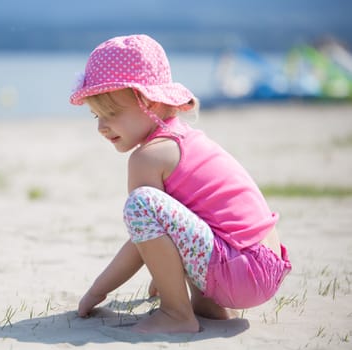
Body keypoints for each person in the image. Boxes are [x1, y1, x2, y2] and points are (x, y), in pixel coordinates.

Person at [69, 34, 291, 334]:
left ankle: (176, 313)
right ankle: (209, 309)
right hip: (264, 263)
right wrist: (166, 270)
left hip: (242, 269)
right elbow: (177, 226)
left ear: (149, 102)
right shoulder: (185, 140)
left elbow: (140, 240)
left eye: (111, 113)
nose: (101, 126)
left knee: (141, 204)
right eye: (96, 115)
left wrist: (98, 290)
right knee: (186, 211)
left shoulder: (148, 157)